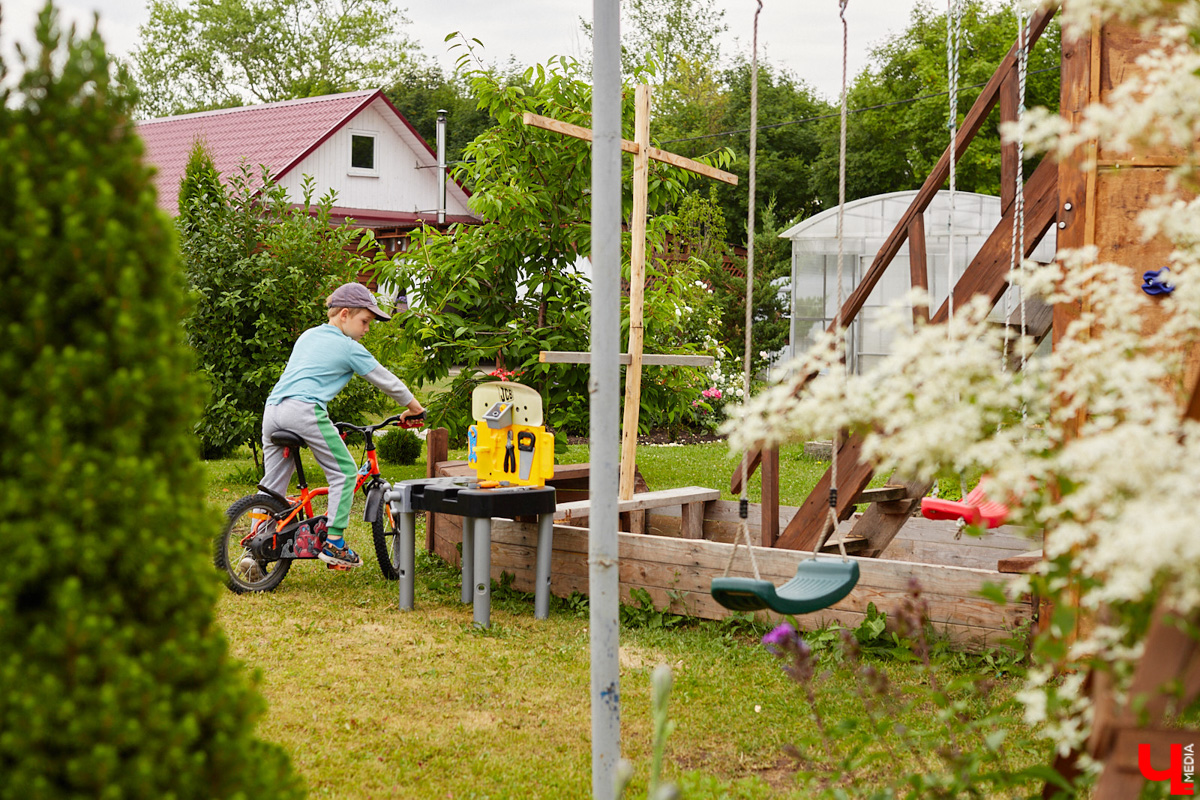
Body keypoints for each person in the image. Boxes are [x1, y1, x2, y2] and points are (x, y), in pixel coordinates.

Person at [260, 282, 423, 569]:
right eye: (365, 321)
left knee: (271, 487)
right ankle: (334, 543)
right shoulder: (349, 348)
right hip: (304, 410)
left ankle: (255, 548)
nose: (367, 329)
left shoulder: (308, 336)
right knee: (346, 473)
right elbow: (387, 381)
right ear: (344, 314)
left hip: (273, 409)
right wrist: (415, 408)